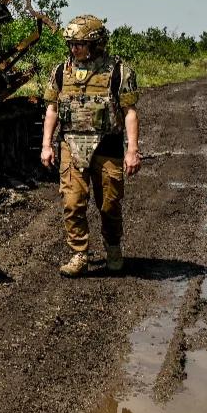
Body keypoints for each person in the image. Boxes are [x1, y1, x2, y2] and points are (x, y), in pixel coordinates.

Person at [40, 15, 141, 277]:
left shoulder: (119, 72)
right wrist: (46, 145)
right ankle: (79, 254)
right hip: (71, 145)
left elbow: (129, 112)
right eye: (72, 44)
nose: (75, 49)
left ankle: (113, 247)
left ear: (96, 44)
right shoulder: (61, 71)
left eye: (81, 44)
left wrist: (132, 150)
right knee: (72, 203)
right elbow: (52, 109)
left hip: (107, 147)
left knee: (109, 204)